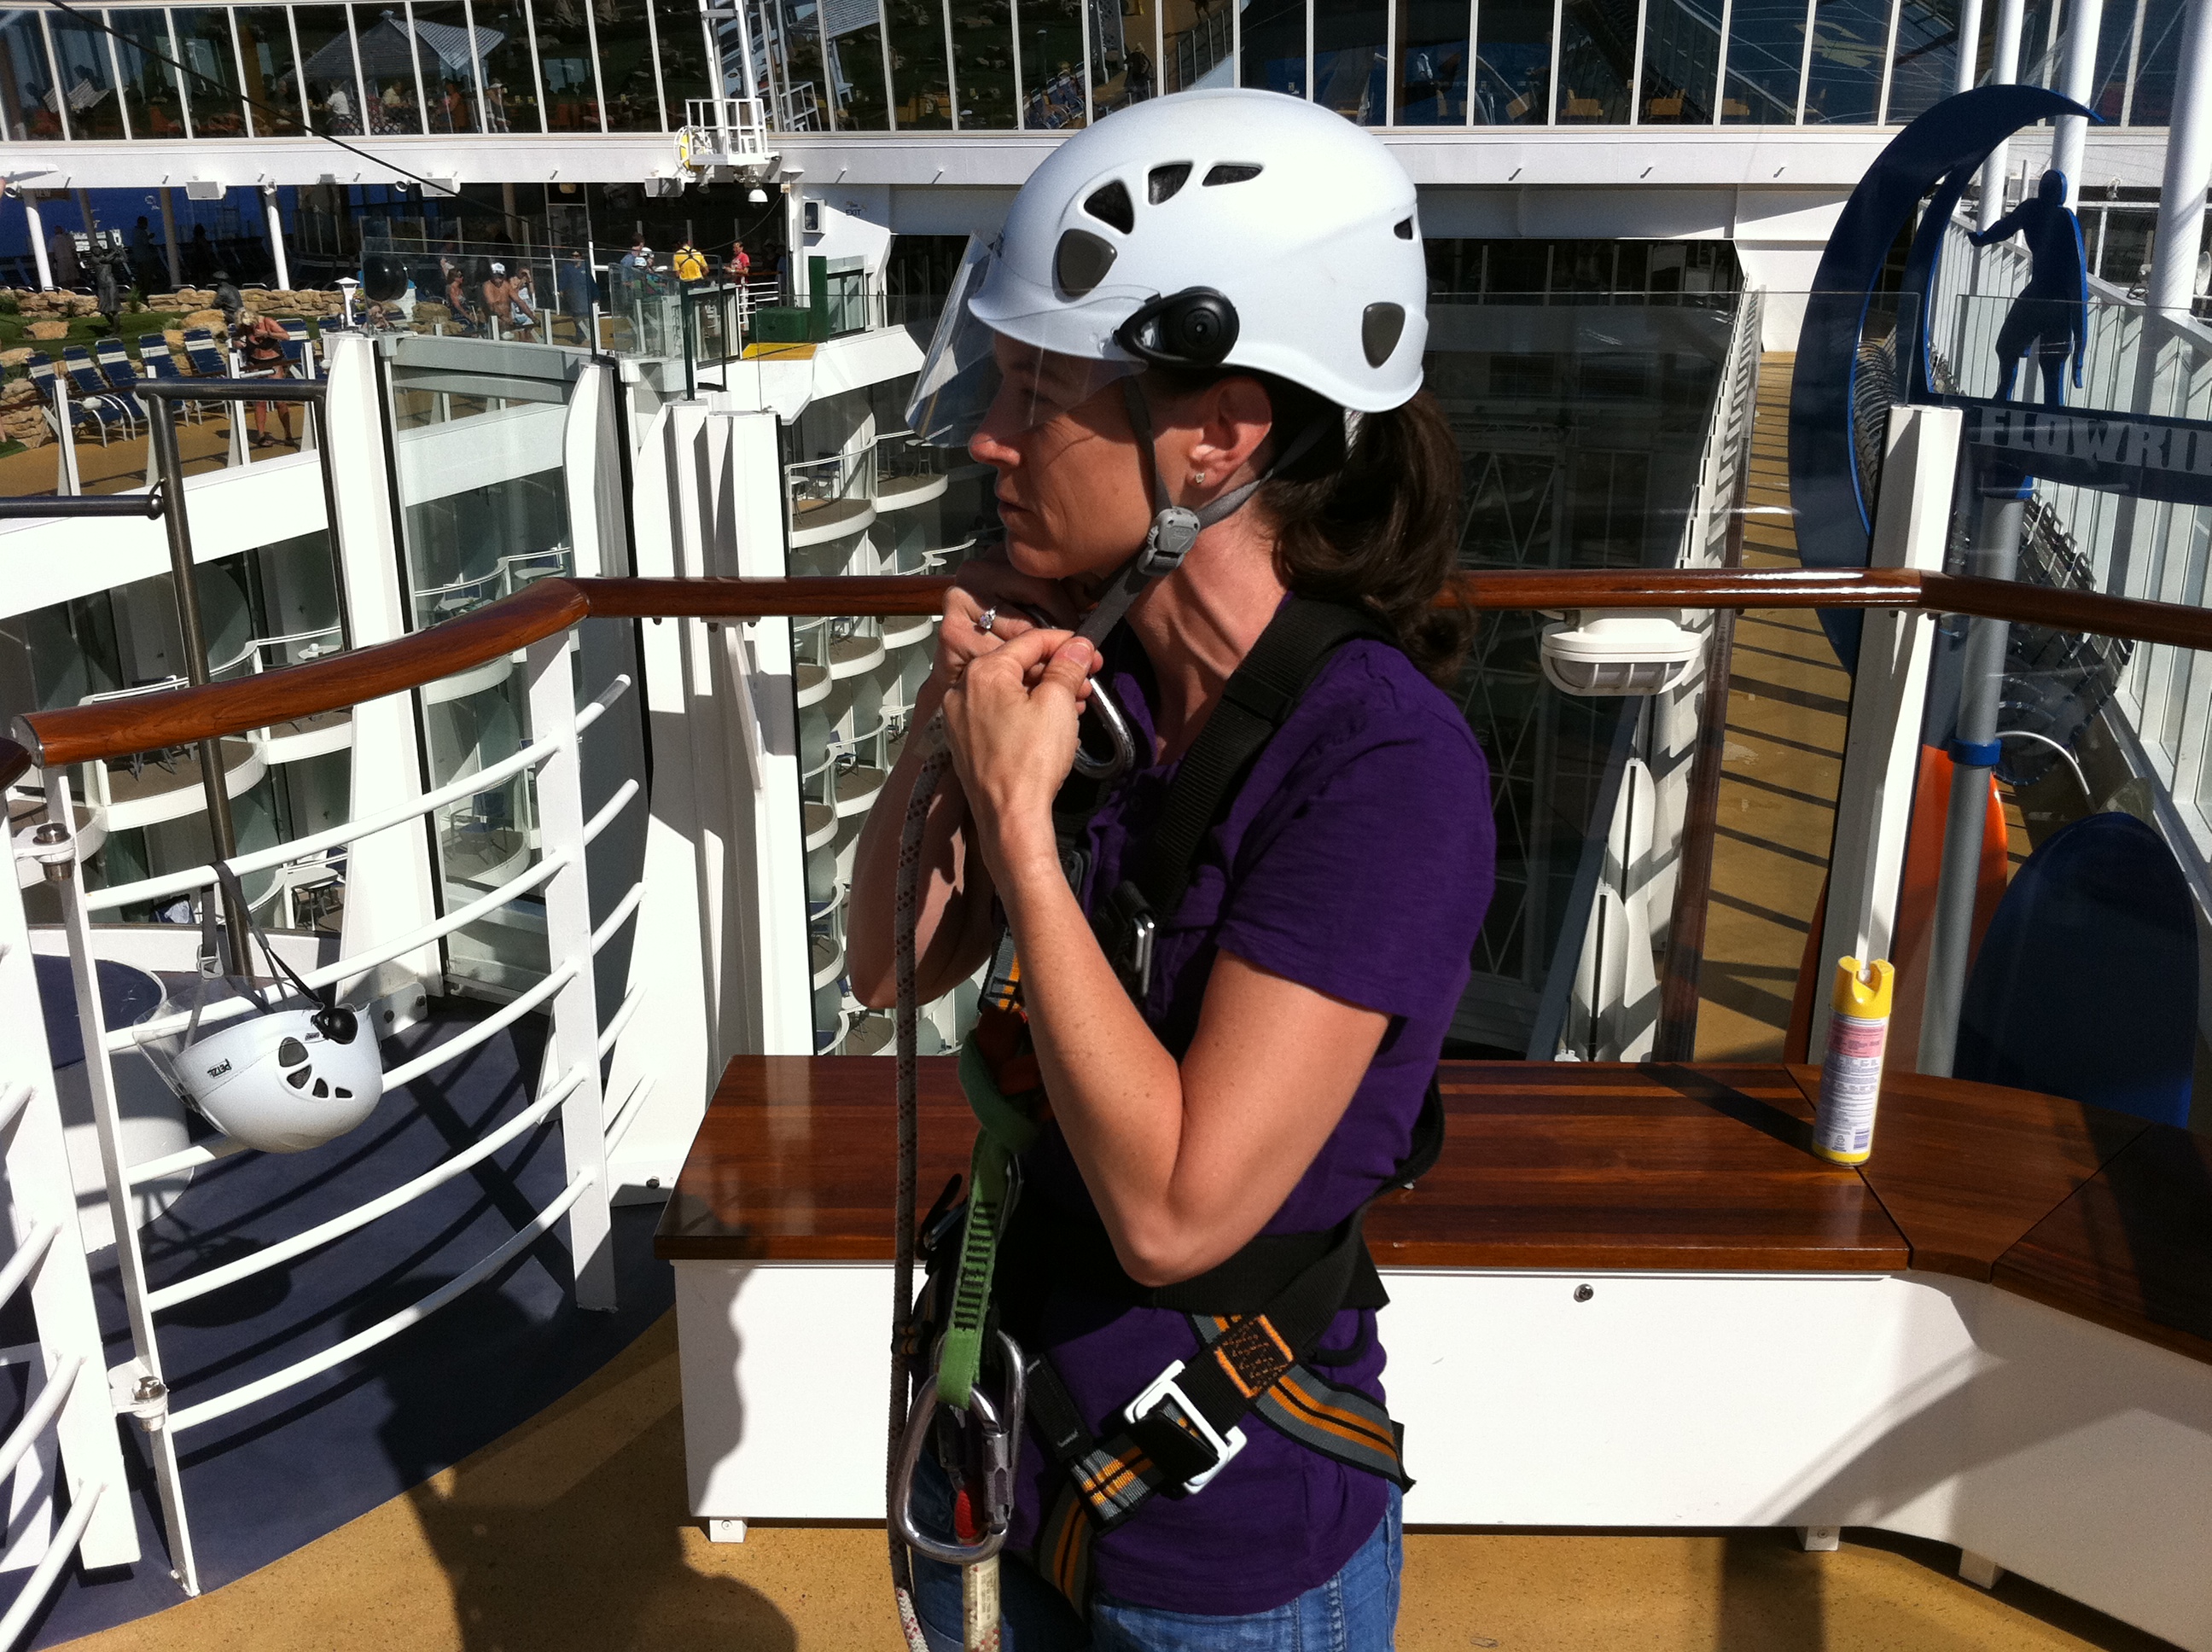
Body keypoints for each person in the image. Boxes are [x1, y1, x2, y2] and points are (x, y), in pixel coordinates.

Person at [846, 90, 1493, 1652]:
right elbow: (890, 965)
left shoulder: (1382, 770)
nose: (991, 435)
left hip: (1219, 1538)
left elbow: (1177, 1214)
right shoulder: (1109, 680)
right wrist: (954, 718)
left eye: (1042, 389)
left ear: (1218, 434)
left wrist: (1021, 830)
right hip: (1011, 1449)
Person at [1970, 168, 2088, 409]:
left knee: (2048, 363)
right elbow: (2006, 227)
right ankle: (2007, 396)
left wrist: (2080, 344)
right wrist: (1983, 238)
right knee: (2010, 348)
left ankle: (2042, 407)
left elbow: (2077, 275)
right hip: (2046, 297)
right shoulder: (2035, 210)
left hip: (2054, 300)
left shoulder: (2059, 217)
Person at [236, 310, 296, 448]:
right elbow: (234, 338)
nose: (250, 327)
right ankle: (261, 435)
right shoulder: (245, 328)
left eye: (251, 324)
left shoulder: (267, 322)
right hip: (255, 363)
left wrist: (268, 334)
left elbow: (286, 336)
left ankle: (288, 434)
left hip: (273, 362)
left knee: (280, 401)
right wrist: (236, 343)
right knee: (260, 402)